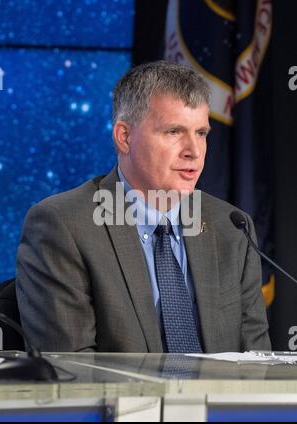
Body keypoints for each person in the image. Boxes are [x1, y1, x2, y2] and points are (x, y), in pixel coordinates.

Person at [16, 61, 271, 352]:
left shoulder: (232, 227)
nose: (194, 151)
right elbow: (71, 370)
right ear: (124, 137)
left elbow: (256, 363)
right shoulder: (64, 225)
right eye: (174, 131)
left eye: (201, 133)